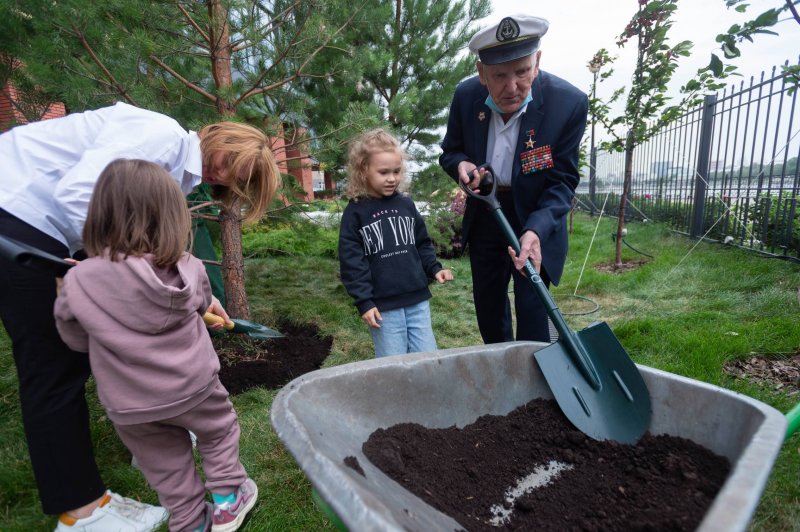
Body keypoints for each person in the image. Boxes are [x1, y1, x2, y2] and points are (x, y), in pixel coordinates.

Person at [0, 102, 279, 531]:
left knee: (74, 348)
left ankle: (183, 509)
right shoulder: (162, 138)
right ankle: (81, 511)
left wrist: (92, 286)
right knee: (52, 368)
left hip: (50, 232)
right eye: (229, 164)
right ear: (219, 138)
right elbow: (79, 195)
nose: (222, 177)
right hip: (17, 210)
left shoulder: (176, 176)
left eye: (236, 181)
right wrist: (108, 278)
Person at [54, 159, 258, 532]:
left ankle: (190, 521)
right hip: (194, 386)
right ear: (172, 218)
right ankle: (229, 499)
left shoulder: (78, 280)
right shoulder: (189, 267)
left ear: (100, 215)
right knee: (219, 431)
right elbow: (199, 305)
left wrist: (70, 291)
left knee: (166, 465)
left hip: (131, 405)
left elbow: (76, 340)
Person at [439, 14, 588, 344]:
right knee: (489, 311)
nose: (512, 87)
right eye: (499, 75)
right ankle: (500, 379)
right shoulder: (465, 97)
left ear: (537, 62)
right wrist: (461, 165)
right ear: (481, 73)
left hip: (537, 215)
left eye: (522, 72)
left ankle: (534, 386)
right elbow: (451, 151)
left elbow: (562, 181)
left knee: (534, 312)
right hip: (487, 212)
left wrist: (535, 230)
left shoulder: (568, 103)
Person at [339, 128, 454, 357]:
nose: (392, 178)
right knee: (393, 364)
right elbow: (352, 261)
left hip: (417, 300)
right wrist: (364, 301)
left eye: (396, 171)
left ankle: (424, 394)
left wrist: (434, 269)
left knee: (427, 358)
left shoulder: (406, 204)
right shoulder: (355, 212)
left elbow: (422, 243)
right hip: (383, 307)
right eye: (383, 172)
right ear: (364, 170)